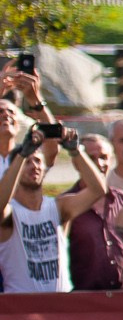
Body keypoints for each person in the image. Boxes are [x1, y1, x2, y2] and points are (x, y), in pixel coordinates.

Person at [0, 119, 102, 292]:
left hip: (61, 306)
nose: (34, 166)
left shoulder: (58, 206)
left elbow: (98, 190)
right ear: (14, 169)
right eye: (27, 162)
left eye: (38, 161)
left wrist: (75, 150)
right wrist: (21, 155)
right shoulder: (10, 212)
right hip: (20, 309)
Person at [67, 117, 123, 291]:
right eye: (91, 158)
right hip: (84, 299)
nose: (99, 164)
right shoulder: (66, 205)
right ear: (77, 162)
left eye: (104, 157)